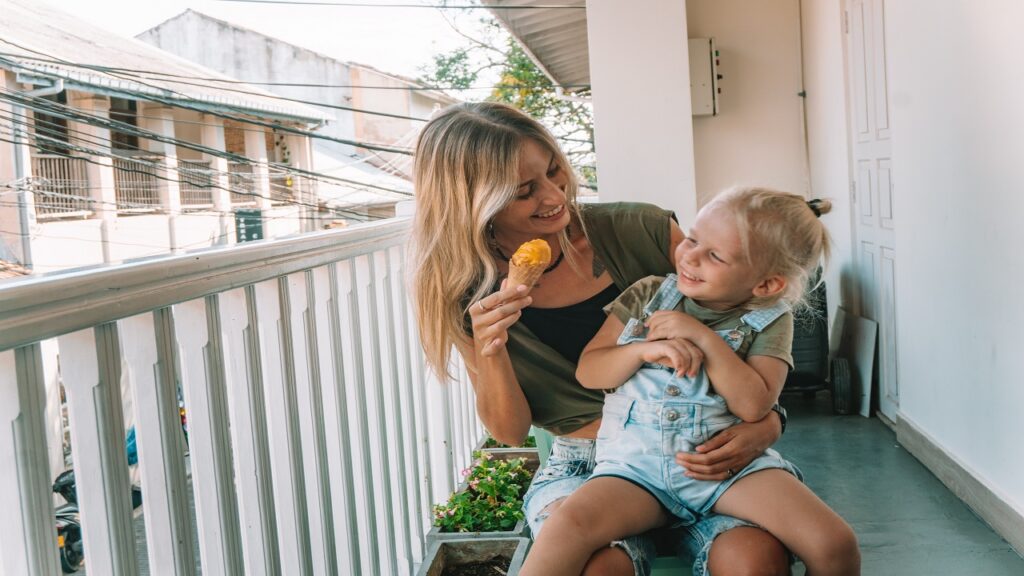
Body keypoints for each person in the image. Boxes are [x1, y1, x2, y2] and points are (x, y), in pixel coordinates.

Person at [410, 101, 793, 575]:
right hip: (584, 466)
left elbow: (751, 321)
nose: (555, 197)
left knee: (755, 560)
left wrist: (768, 422)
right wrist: (492, 349)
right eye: (525, 191)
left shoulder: (641, 230)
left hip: (702, 450)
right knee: (600, 568)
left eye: (555, 171)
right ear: (472, 202)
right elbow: (509, 431)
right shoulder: (465, 296)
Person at [520, 188, 861, 576]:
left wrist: (705, 340)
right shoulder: (648, 295)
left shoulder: (770, 319)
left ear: (766, 285)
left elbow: (754, 405)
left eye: (714, 255)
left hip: (727, 474)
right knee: (568, 524)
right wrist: (640, 351)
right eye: (694, 238)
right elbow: (590, 371)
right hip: (636, 470)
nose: (690, 256)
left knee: (834, 543)